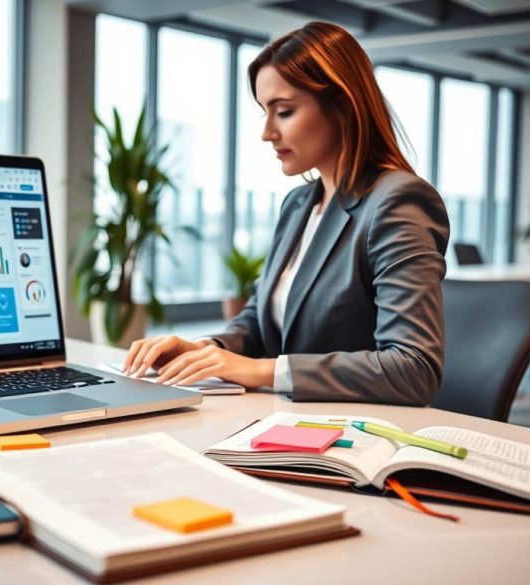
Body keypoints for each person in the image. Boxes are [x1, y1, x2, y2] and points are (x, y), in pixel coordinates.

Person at [122, 21, 450, 406]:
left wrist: (262, 370)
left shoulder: (398, 201)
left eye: (284, 111)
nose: (266, 132)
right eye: (265, 111)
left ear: (342, 107)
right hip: (286, 421)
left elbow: (414, 368)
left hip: (356, 434)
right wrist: (204, 350)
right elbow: (260, 319)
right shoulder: (298, 204)